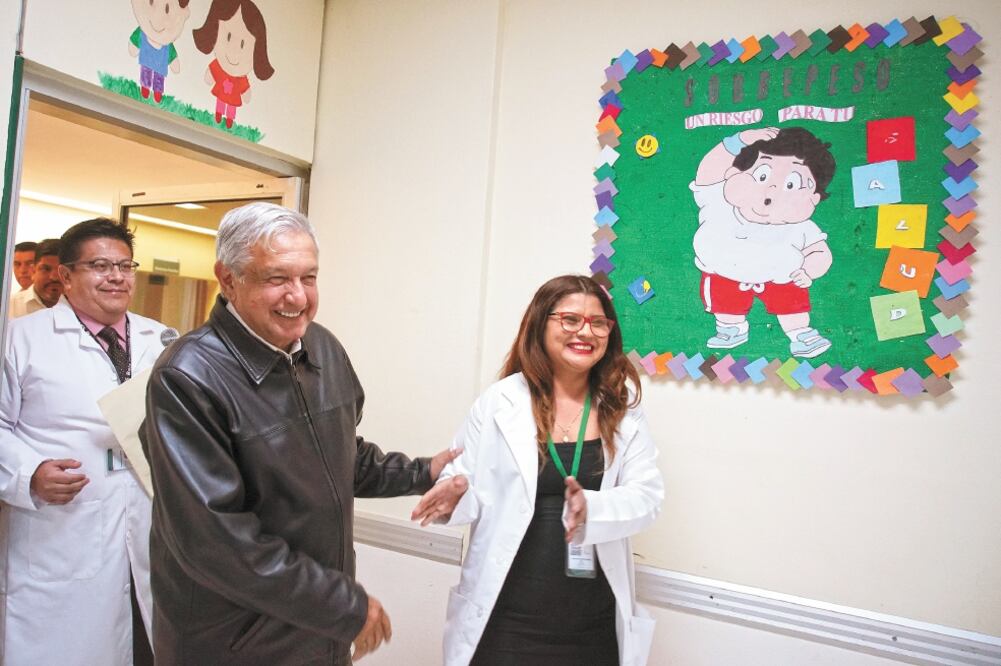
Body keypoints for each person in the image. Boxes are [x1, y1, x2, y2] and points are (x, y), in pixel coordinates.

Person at [142, 202, 457, 665]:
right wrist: (343, 606)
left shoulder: (321, 347)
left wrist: (423, 471)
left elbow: (340, 456)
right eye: (277, 279)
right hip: (234, 642)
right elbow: (216, 540)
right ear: (228, 278)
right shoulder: (187, 378)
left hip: (313, 630)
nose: (298, 297)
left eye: (308, 278)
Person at [413, 274, 664, 666]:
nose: (586, 332)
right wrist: (452, 498)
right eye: (570, 319)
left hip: (593, 623)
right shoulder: (500, 402)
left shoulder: (622, 406)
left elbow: (647, 496)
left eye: (598, 323)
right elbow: (465, 483)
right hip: (506, 619)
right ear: (539, 323)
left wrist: (591, 509)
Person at [0, 218, 166, 665]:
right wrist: (28, 472)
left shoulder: (162, 340)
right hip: (63, 534)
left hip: (148, 534)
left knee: (147, 647)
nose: (116, 276)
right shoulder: (20, 340)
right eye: (99, 265)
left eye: (125, 266)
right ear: (66, 276)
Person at [691, 126, 836, 358]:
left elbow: (820, 252)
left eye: (791, 184)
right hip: (724, 273)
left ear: (814, 198)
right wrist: (738, 141)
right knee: (725, 303)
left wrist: (808, 270)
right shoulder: (718, 203)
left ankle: (800, 333)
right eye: (762, 175)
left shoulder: (800, 227)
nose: (772, 188)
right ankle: (731, 327)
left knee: (792, 299)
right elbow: (709, 169)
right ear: (732, 175)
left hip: (780, 276)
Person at [192, 0, 275, 129]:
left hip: (233, 96)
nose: (234, 50)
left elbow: (245, 89)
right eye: (228, 37)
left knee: (231, 107)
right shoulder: (219, 67)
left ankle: (230, 119)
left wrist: (246, 92)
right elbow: (210, 75)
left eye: (243, 44)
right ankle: (219, 113)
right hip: (221, 93)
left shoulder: (241, 78)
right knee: (220, 102)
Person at [128, 0, 192, 104]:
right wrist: (134, 46)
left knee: (159, 77)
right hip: (146, 60)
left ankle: (158, 91)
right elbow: (135, 40)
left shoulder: (167, 45)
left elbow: (172, 55)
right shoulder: (143, 33)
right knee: (146, 72)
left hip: (160, 66)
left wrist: (173, 61)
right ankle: (145, 87)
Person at [7, 238, 63, 319]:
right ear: (34, 271)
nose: (54, 277)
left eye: (60, 270)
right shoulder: (8, 306)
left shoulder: (81, 306)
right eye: (45, 269)